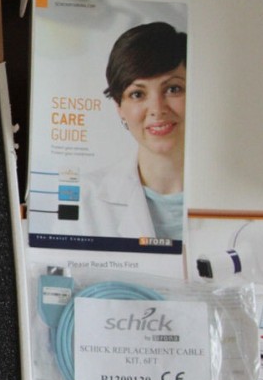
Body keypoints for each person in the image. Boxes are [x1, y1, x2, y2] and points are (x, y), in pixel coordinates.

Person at [77, 21, 187, 241]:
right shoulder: (86, 200)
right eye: (137, 94)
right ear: (119, 107)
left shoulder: (239, 192)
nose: (157, 109)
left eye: (173, 89)